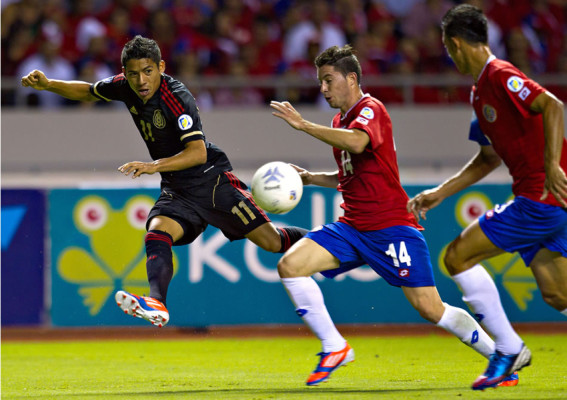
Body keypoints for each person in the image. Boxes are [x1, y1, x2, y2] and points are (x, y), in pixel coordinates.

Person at [21, 35, 308, 328]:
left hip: (212, 183)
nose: (141, 80)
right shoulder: (125, 86)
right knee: (157, 233)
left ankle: (329, 241)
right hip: (177, 189)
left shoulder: (177, 98)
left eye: (148, 71)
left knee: (272, 242)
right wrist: (49, 85)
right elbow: (89, 92)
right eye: (133, 74)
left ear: (161, 66)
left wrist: (152, 165)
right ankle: (157, 303)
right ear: (125, 73)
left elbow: (197, 153)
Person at [270, 44, 512, 388]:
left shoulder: (371, 109)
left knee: (430, 309)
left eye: (328, 80)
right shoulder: (340, 121)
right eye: (320, 82)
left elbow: (357, 143)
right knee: (290, 266)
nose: (322, 89)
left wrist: (302, 125)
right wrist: (311, 179)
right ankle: (334, 346)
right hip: (352, 227)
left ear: (351, 78)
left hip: (391, 228)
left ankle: (499, 355)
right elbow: (349, 175)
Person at [407, 4, 567, 390]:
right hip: (545, 200)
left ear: (457, 43)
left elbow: (553, 105)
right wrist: (440, 193)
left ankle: (508, 349)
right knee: (557, 294)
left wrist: (551, 164)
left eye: (448, 48)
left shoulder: (500, 74)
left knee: (456, 257)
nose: (449, 56)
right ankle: (510, 348)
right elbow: (488, 158)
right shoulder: (481, 93)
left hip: (539, 198)